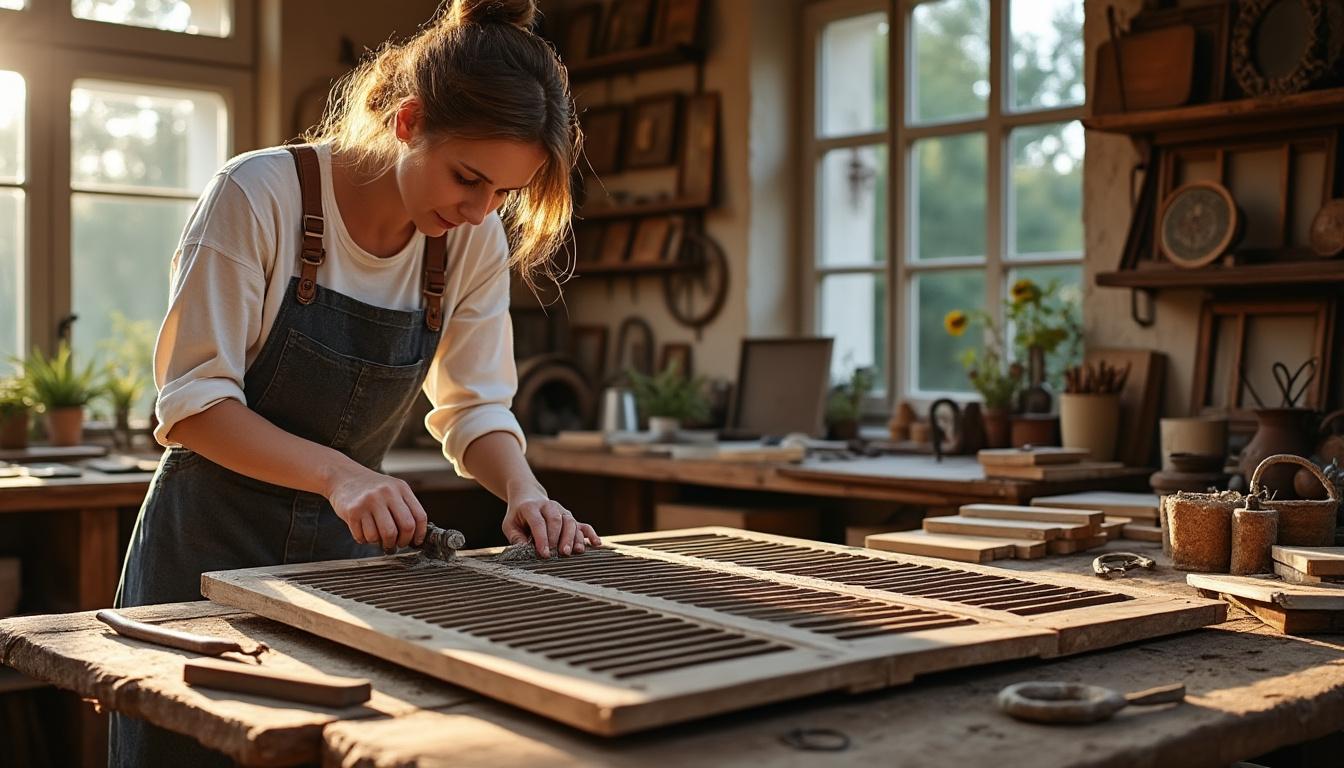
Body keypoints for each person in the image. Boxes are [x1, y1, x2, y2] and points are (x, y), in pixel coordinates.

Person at [110, 0, 596, 763]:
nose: (479, 213)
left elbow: (475, 409)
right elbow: (195, 405)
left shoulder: (466, 242)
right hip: (202, 563)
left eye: (503, 194)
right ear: (408, 123)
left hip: (345, 572)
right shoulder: (257, 196)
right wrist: (342, 476)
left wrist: (525, 493)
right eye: (468, 178)